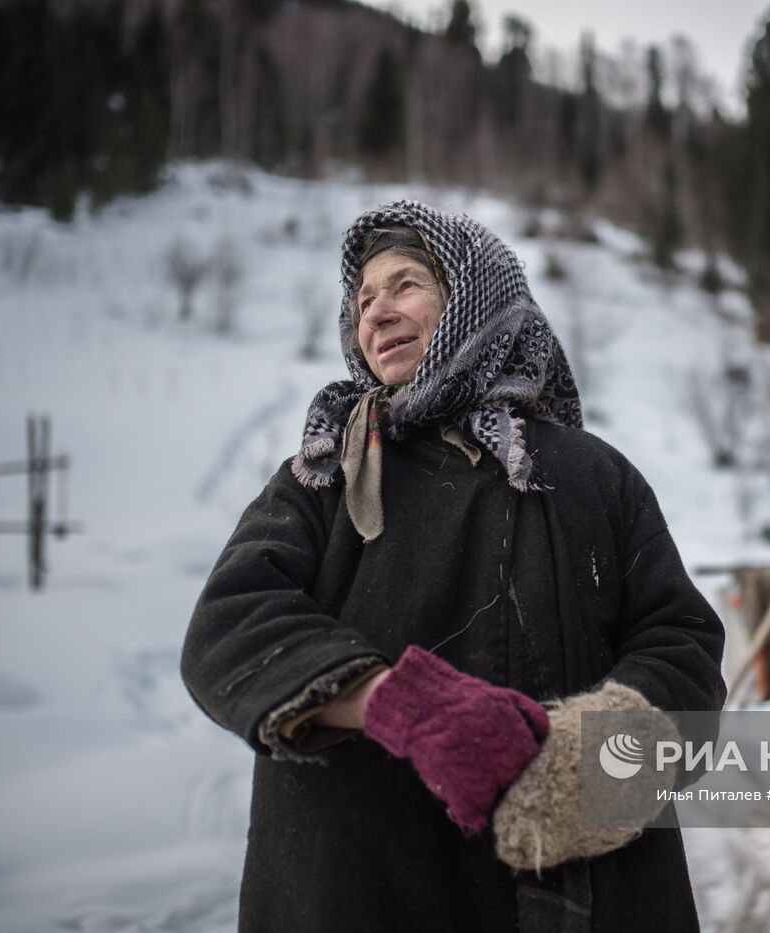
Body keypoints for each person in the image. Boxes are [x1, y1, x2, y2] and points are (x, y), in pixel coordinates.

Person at [181, 201, 726, 933]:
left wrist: (589, 772)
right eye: (363, 299)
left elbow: (683, 646)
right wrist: (402, 702)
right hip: (360, 887)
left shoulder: (594, 476)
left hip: (593, 896)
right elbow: (228, 628)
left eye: (404, 284)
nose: (376, 313)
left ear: (475, 294)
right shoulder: (321, 477)